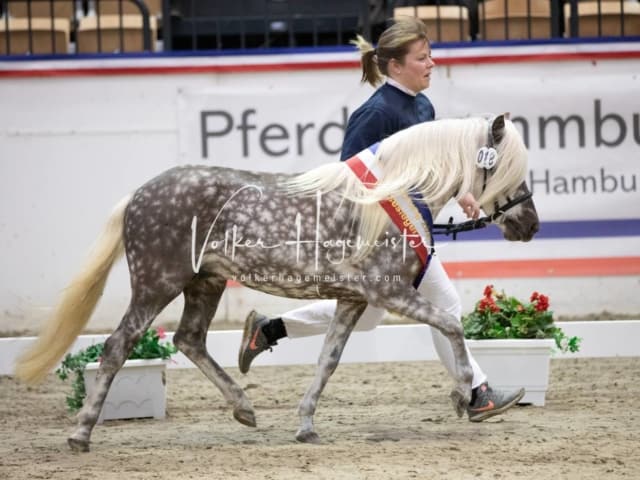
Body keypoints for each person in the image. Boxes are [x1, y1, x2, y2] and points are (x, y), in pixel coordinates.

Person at [238, 16, 524, 422]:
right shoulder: (374, 114)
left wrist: (464, 193)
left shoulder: (423, 105)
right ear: (395, 66)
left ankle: (269, 330)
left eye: (430, 56)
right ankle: (475, 392)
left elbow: (433, 169)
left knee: (369, 318)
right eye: (422, 58)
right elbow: (348, 180)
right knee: (445, 305)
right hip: (385, 241)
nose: (431, 64)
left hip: (412, 233)